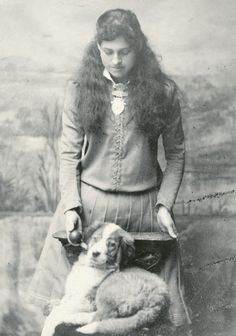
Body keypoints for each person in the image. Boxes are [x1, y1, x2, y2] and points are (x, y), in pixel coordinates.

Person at [27, 8, 191, 331]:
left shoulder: (163, 93)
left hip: (144, 211)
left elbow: (176, 154)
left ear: (138, 49)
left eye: (125, 52)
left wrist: (164, 205)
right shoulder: (79, 89)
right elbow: (68, 154)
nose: (116, 60)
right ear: (98, 48)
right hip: (88, 210)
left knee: (146, 313)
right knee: (70, 310)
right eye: (108, 52)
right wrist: (71, 207)